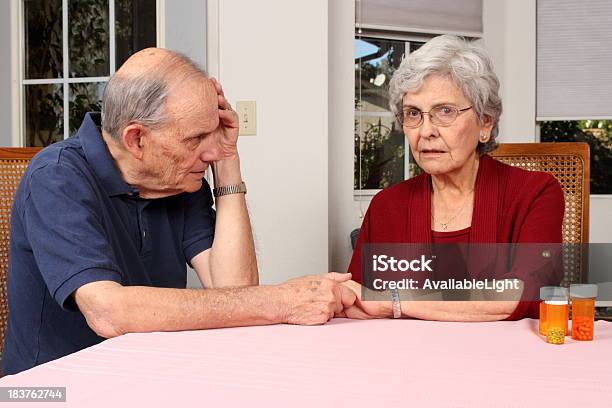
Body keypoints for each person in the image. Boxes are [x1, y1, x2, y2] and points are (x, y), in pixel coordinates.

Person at [2, 48, 356, 375]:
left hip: (147, 373)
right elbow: (109, 311)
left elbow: (234, 290)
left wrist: (228, 160)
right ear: (137, 139)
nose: (210, 151)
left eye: (214, 133)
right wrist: (282, 301)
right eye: (195, 138)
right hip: (53, 387)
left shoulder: (179, 179)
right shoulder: (57, 177)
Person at [345, 35, 564, 321]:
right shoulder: (387, 205)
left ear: (485, 122)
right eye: (413, 114)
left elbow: (519, 294)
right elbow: (356, 301)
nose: (426, 131)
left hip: (505, 359)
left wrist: (393, 301)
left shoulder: (536, 193)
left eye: (444, 111)